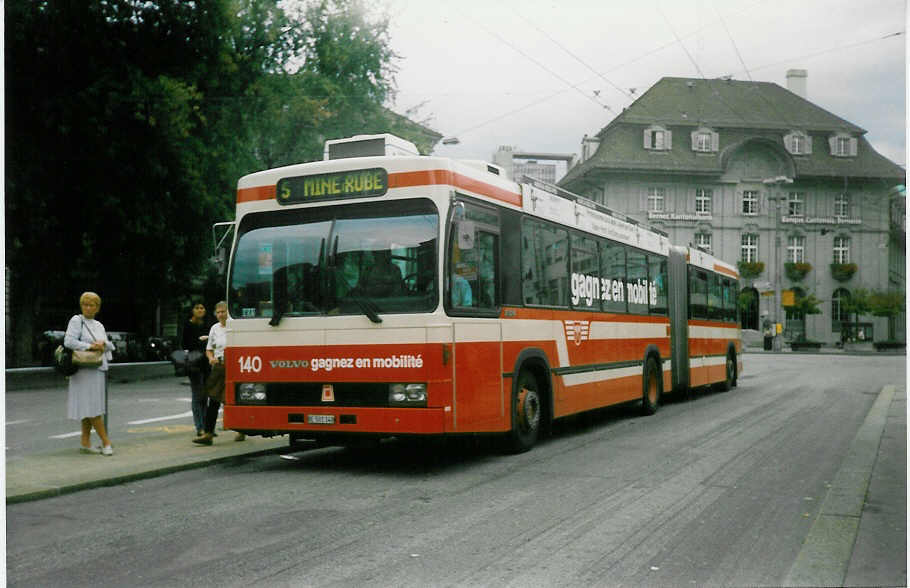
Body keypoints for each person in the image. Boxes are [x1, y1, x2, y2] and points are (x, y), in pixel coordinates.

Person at [64, 291, 116, 456]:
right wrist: (90, 346)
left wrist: (103, 345)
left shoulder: (99, 325)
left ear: (97, 308)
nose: (88, 308)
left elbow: (109, 345)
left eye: (91, 305)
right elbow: (69, 341)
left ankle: (85, 442)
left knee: (90, 406)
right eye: (85, 304)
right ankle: (106, 442)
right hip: (83, 370)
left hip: (97, 368)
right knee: (93, 408)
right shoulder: (76, 320)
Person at [193, 301, 245, 444]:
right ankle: (208, 434)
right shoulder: (214, 328)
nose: (221, 314)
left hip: (234, 366)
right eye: (218, 312)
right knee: (214, 399)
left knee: (235, 398)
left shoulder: (236, 326)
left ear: (229, 311)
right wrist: (211, 358)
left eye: (223, 311)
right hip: (219, 366)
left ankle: (241, 430)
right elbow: (209, 349)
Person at [181, 301, 209, 436]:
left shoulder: (207, 325)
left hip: (207, 364)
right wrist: (200, 341)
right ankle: (200, 427)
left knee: (205, 396)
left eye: (202, 307)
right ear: (192, 310)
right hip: (194, 365)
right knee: (197, 395)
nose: (200, 310)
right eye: (197, 308)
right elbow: (184, 344)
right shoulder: (187, 325)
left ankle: (206, 426)